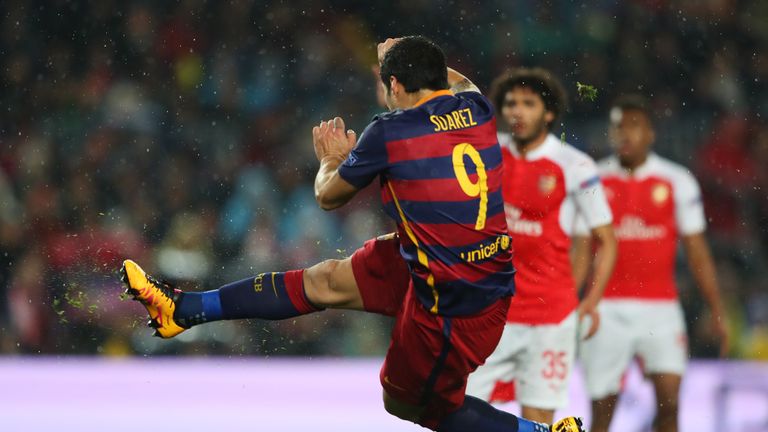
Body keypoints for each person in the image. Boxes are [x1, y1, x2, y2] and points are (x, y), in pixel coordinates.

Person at [120, 36, 585, 432]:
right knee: (326, 280)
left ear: (396, 85)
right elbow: (460, 80)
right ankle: (184, 309)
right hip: (440, 263)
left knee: (408, 404)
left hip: (455, 303)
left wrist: (329, 158)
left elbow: (328, 196)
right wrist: (404, 53)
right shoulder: (477, 108)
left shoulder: (391, 131)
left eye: (386, 83)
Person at [465, 68, 617, 424]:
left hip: (549, 319)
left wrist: (590, 302)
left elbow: (606, 240)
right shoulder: (487, 153)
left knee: (539, 423)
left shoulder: (576, 165)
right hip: (489, 313)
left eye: (529, 104)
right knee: (459, 415)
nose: (518, 111)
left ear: (548, 113)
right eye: (511, 103)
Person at [573, 94, 730, 432]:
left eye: (634, 126)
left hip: (660, 308)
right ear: (610, 133)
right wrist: (572, 301)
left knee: (670, 404)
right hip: (606, 309)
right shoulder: (592, 181)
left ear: (651, 133)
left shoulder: (677, 180)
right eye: (618, 127)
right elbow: (582, 250)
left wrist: (716, 308)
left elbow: (697, 251)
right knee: (602, 411)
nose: (625, 134)